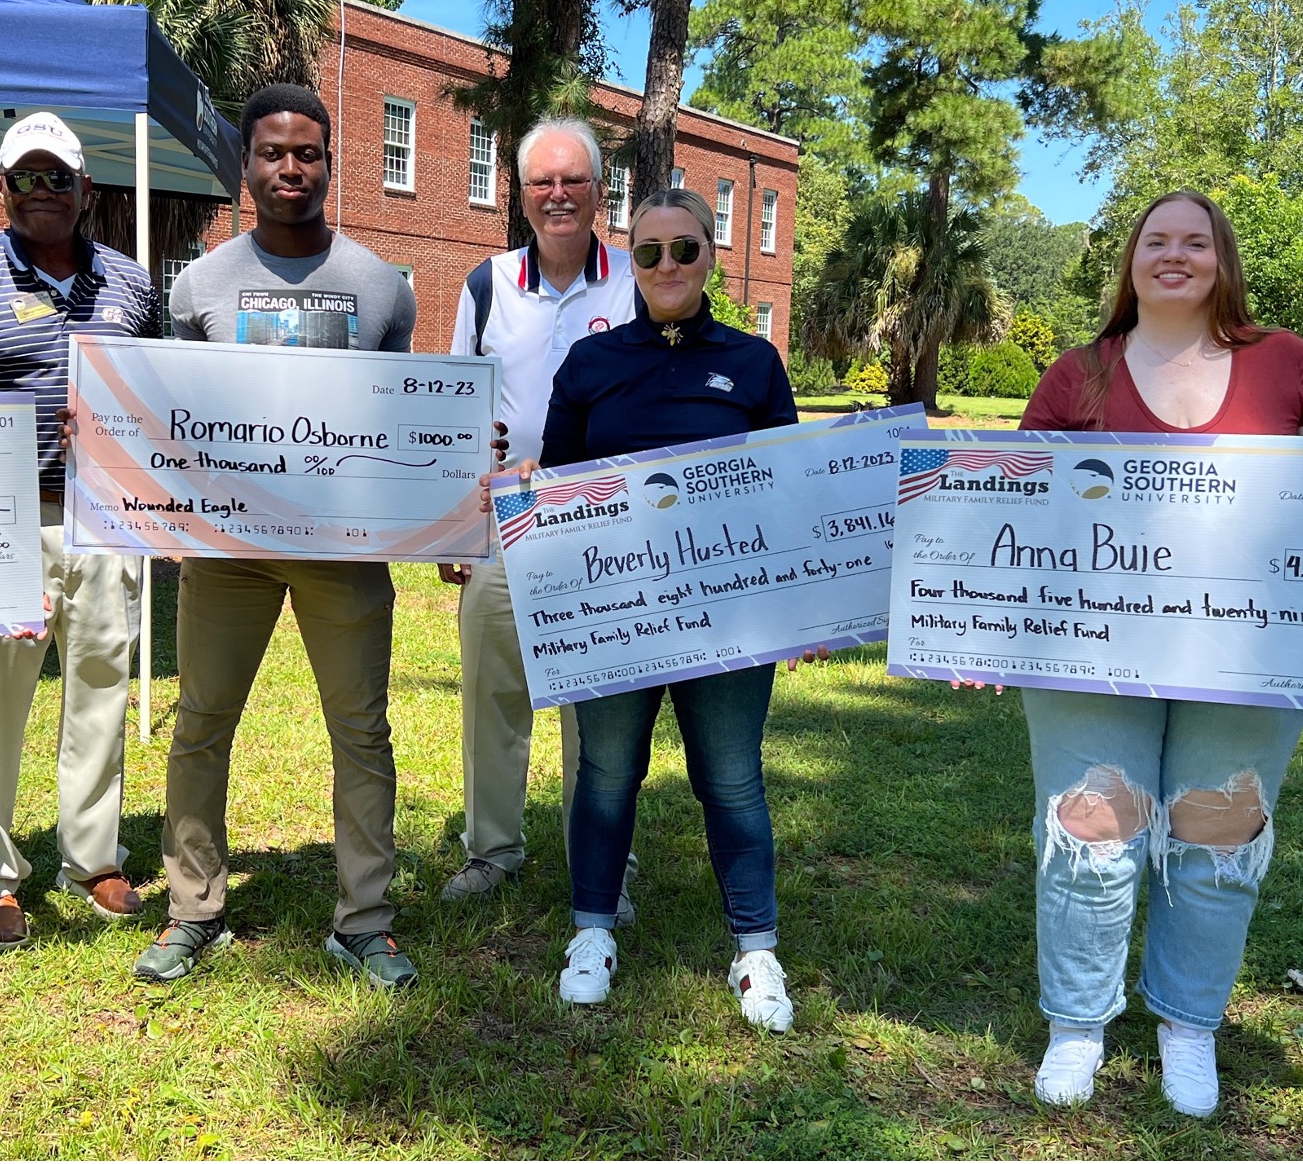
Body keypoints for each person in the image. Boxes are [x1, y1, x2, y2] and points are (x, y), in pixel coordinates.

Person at [1007, 190, 1303, 1115]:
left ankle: (1188, 1024)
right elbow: (1012, 513)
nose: (1175, 255)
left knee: (1215, 832)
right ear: (1131, 261)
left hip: (1255, 652)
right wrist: (972, 619)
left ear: (1223, 260)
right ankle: (1077, 1023)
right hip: (1089, 650)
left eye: (1196, 241)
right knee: (1089, 830)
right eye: (1157, 240)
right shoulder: (1079, 374)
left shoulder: (1285, 364)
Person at [492, 187, 806, 1031]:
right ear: (629, 262)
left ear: (711, 257)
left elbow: (789, 492)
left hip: (730, 613)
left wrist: (807, 606)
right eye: (648, 252)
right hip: (613, 615)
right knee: (604, 775)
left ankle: (756, 949)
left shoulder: (751, 364)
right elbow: (555, 491)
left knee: (732, 780)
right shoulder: (590, 364)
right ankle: (592, 932)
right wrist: (524, 495)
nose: (666, 266)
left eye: (684, 250)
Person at [135, 84, 420, 990]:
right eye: (272, 153)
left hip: (345, 550)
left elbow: (404, 418)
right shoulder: (201, 284)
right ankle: (194, 911)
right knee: (201, 725)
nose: (290, 168)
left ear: (329, 164)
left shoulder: (380, 287)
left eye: (307, 153)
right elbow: (171, 411)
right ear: (245, 165)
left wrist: (458, 455)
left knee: (361, 732)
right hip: (229, 551)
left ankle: (364, 922)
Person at [0, 113, 161, 950]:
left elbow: (161, 395)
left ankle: (91, 856)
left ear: (86, 188)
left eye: (57, 176)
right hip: (2, 520)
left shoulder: (132, 286)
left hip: (105, 519)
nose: (41, 192)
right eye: (24, 177)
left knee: (100, 687)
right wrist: (21, 424)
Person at [438, 115, 639, 914]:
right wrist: (455, 522)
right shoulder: (487, 284)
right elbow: (458, 408)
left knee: (602, 702)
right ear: (521, 195)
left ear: (599, 192)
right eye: (540, 182)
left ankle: (603, 862)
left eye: (573, 180)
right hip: (504, 526)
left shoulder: (635, 278)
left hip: (608, 529)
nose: (557, 195)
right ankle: (491, 850)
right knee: (493, 693)